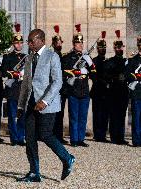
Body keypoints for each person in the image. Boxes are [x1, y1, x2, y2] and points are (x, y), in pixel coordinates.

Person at [17, 29, 75, 182]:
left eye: (31, 40)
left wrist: (45, 100)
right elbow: (26, 84)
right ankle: (34, 172)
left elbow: (57, 82)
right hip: (30, 104)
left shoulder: (52, 56)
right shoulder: (29, 58)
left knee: (45, 134)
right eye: (28, 41)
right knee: (29, 138)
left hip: (47, 104)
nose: (29, 43)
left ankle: (67, 158)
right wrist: (21, 106)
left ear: (41, 40)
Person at [62, 24, 96, 147]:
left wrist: (90, 62)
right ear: (73, 44)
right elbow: (64, 71)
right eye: (78, 43)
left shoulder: (86, 57)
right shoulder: (68, 57)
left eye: (81, 43)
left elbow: (94, 74)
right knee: (74, 117)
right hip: (73, 90)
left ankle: (80, 139)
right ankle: (74, 139)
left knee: (83, 117)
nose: (80, 45)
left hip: (84, 91)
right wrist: (75, 72)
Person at [1, 23, 26, 146]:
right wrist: (15, 74)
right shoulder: (7, 57)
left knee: (22, 116)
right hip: (12, 89)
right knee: (12, 116)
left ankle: (21, 138)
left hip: (23, 90)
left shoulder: (26, 57)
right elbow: (3, 71)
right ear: (13, 44)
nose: (19, 45)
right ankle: (14, 138)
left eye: (21, 43)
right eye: (17, 43)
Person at [104, 30, 129, 145]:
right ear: (115, 49)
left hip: (123, 92)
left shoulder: (126, 62)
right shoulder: (110, 62)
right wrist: (115, 77)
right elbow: (105, 75)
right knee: (114, 115)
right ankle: (114, 137)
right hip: (114, 92)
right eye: (117, 48)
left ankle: (121, 137)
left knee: (122, 115)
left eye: (121, 48)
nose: (120, 49)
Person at [90, 31, 110, 143]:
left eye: (104, 47)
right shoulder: (94, 61)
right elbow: (93, 76)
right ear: (97, 49)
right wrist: (103, 82)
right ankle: (97, 134)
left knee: (105, 114)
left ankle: (103, 134)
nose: (103, 49)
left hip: (106, 92)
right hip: (97, 90)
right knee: (97, 114)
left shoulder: (108, 61)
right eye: (101, 48)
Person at [51, 25, 68, 144]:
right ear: (53, 44)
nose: (59, 44)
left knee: (60, 114)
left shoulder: (63, 56)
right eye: (57, 42)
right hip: (53, 90)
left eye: (60, 42)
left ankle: (58, 136)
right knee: (51, 114)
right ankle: (50, 135)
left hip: (62, 90)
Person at [125, 35, 141, 147]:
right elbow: (128, 75)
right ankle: (136, 140)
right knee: (136, 118)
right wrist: (137, 76)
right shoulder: (133, 60)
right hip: (137, 93)